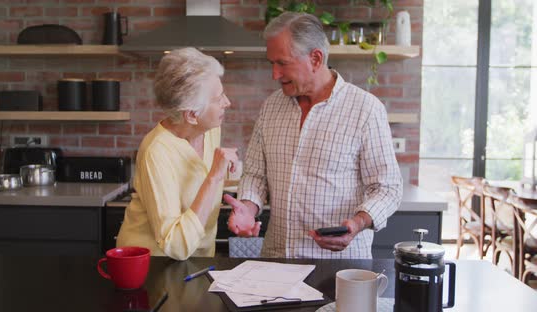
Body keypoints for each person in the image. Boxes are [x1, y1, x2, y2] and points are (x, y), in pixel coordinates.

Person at [225, 12, 403, 259]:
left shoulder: (365, 109)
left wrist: (357, 223)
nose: (275, 74)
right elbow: (256, 175)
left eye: (283, 63)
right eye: (271, 63)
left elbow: (387, 188)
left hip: (340, 267)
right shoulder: (271, 107)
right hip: (277, 263)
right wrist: (247, 208)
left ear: (316, 58)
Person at [117, 47, 238, 260]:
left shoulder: (209, 129)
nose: (227, 102)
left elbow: (198, 179)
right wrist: (214, 177)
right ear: (192, 115)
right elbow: (175, 245)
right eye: (219, 98)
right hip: (155, 265)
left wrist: (241, 201)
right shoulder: (156, 151)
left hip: (200, 260)